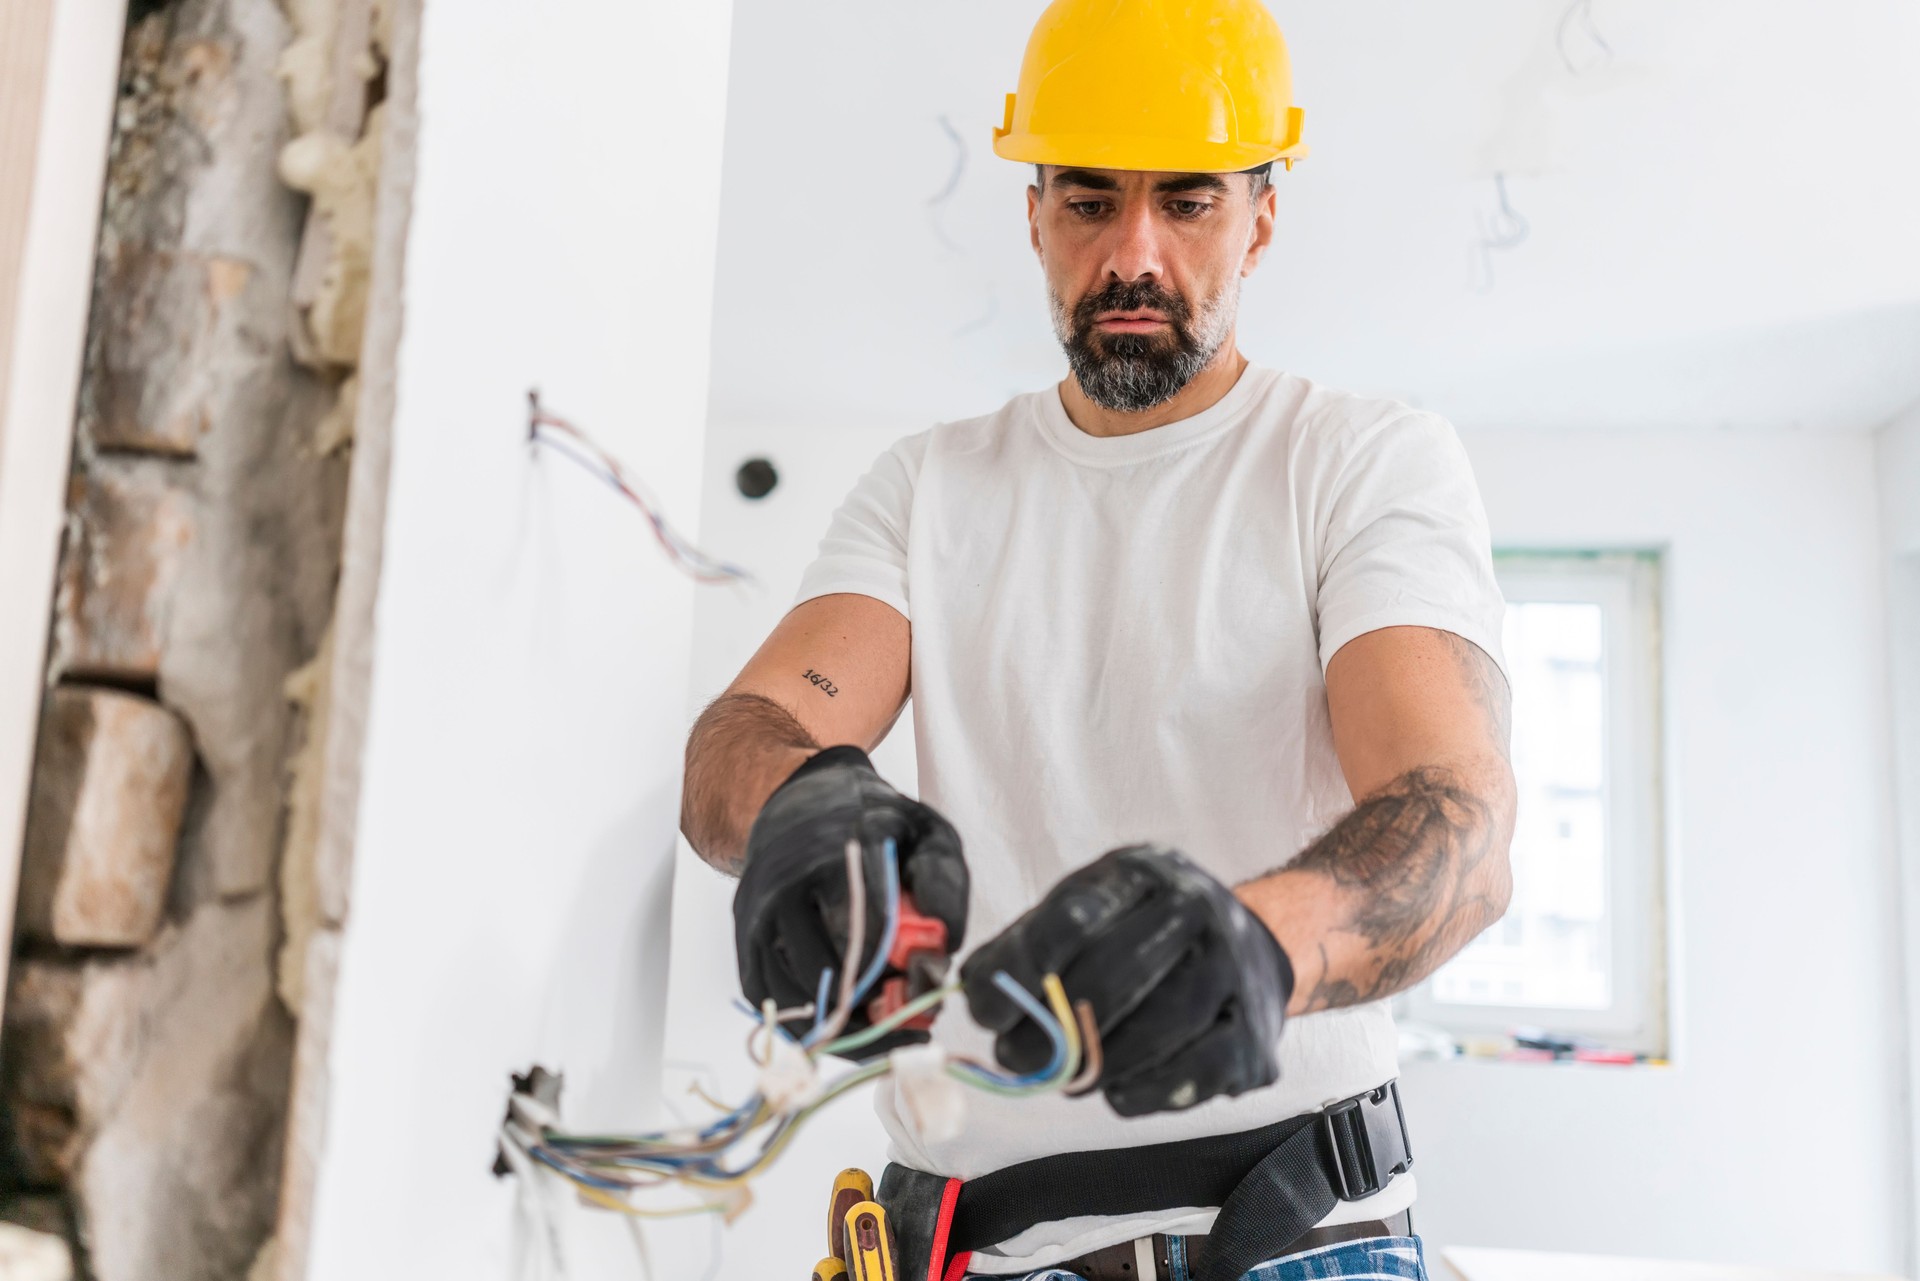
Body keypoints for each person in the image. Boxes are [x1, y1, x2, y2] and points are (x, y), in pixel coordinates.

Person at [681, 2, 1516, 1278]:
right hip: (977, 1253)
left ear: (1262, 218)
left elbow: (1457, 823)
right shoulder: (928, 488)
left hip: (1298, 1238)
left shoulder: (1358, 462)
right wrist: (799, 804)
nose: (1134, 255)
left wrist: (1254, 946)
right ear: (1032, 216)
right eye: (1088, 203)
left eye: (1187, 203)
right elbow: (745, 737)